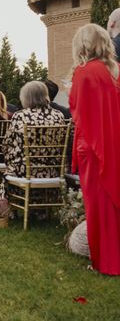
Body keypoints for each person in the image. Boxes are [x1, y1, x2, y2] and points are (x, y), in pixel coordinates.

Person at [70, 23, 120, 275]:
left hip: (92, 147)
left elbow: (78, 110)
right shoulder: (116, 70)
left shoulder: (84, 71)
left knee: (98, 206)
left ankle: (106, 261)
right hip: (115, 144)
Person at [2, 81, 65, 179]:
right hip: (53, 171)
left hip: (25, 171)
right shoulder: (59, 115)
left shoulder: (20, 116)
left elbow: (7, 144)